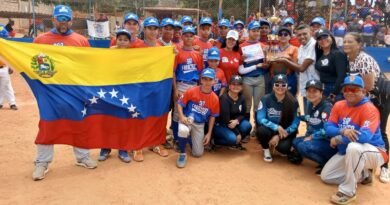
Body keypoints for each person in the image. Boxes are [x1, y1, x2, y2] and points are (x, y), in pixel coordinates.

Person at [32, 5, 97, 181]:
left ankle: (82, 157)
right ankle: (42, 162)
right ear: (53, 19)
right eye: (59, 18)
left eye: (66, 19)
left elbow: (88, 65)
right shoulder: (41, 40)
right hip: (50, 91)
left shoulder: (81, 40)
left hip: (74, 90)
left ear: (71, 21)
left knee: (80, 122)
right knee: (47, 124)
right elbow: (34, 63)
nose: (63, 22)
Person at [320, 75, 388, 205]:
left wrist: (339, 138)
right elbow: (328, 128)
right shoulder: (339, 105)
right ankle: (364, 174)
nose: (350, 92)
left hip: (375, 151)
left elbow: (363, 137)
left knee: (354, 147)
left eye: (355, 90)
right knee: (327, 176)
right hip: (352, 152)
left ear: (363, 91)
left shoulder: (370, 109)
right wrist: (343, 131)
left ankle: (348, 192)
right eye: (347, 89)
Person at [343, 32, 389, 183]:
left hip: (379, 99)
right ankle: (366, 171)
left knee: (379, 131)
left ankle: (385, 167)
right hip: (365, 101)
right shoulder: (349, 60)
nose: (346, 44)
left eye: (350, 41)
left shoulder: (364, 59)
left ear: (359, 44)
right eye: (345, 41)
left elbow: (368, 86)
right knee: (364, 132)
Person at [131, 17, 168, 161]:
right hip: (140, 87)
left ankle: (156, 143)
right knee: (140, 116)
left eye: (155, 28)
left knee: (157, 115)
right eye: (149, 28)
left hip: (158, 87)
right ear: (144, 30)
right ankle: (138, 146)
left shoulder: (162, 48)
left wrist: (172, 53)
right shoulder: (136, 46)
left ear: (158, 31)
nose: (152, 31)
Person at [98, 29, 132, 163]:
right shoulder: (109, 52)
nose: (122, 42)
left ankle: (123, 150)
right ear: (115, 40)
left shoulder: (135, 55)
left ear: (129, 42)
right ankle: (105, 148)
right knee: (107, 121)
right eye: (120, 39)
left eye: (125, 40)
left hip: (125, 92)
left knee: (123, 121)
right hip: (109, 91)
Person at [176, 68, 220, 168]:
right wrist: (182, 116)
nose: (207, 82)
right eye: (205, 79)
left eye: (210, 79)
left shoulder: (215, 98)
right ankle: (182, 154)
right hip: (188, 119)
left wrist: (209, 133)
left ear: (214, 81)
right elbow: (179, 104)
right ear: (201, 80)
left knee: (198, 154)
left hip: (200, 124)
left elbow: (213, 116)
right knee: (183, 130)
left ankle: (190, 139)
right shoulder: (192, 91)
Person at [292, 79, 336, 174]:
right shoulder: (310, 104)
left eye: (315, 91)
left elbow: (327, 130)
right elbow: (309, 119)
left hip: (327, 141)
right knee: (295, 142)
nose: (311, 94)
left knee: (303, 146)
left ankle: (328, 164)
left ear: (321, 93)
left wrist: (312, 137)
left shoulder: (326, 107)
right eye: (309, 91)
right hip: (316, 139)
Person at [274, 24, 319, 113]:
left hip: (314, 86)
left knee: (313, 114)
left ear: (310, 32)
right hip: (306, 84)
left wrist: (285, 61)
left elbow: (302, 68)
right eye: (299, 35)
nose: (302, 36)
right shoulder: (302, 47)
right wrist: (288, 58)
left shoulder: (313, 45)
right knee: (308, 113)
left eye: (304, 34)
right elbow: (298, 64)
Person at [171, 26, 204, 151]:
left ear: (194, 37)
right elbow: (173, 72)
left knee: (192, 111)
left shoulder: (198, 55)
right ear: (182, 37)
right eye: (186, 35)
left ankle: (188, 138)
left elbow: (200, 73)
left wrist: (200, 89)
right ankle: (176, 139)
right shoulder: (177, 53)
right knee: (177, 113)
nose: (188, 38)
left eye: (191, 35)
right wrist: (175, 89)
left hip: (194, 86)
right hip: (181, 85)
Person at [256, 74, 300, 162]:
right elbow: (260, 118)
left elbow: (296, 121)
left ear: (287, 86)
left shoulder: (293, 101)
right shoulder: (265, 99)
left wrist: (279, 136)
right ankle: (266, 149)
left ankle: (276, 143)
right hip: (270, 129)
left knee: (284, 149)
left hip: (285, 131)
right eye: (277, 84)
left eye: (283, 85)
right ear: (273, 86)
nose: (280, 87)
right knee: (261, 131)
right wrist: (276, 127)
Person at [238, 20, 267, 121]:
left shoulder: (263, 46)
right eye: (253, 30)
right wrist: (241, 58)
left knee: (258, 104)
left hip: (260, 77)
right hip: (247, 78)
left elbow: (267, 64)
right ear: (249, 31)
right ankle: (246, 126)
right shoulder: (242, 46)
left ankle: (256, 127)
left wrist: (266, 56)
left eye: (258, 30)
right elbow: (239, 64)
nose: (256, 33)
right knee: (247, 104)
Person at [213, 75, 251, 148]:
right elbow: (225, 119)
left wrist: (236, 120)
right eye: (233, 84)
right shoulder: (224, 98)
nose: (236, 86)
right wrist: (237, 133)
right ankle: (215, 141)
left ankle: (235, 141)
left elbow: (243, 114)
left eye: (238, 84)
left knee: (247, 125)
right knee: (232, 139)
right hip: (222, 125)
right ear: (229, 86)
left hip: (233, 123)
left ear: (241, 87)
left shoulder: (242, 98)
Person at [314, 28, 349, 102]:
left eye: (325, 37)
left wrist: (334, 93)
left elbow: (341, 76)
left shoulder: (338, 54)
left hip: (335, 90)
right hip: (323, 89)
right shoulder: (320, 54)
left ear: (331, 37)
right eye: (319, 38)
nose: (323, 40)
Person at [268, 27, 299, 96]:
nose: (283, 36)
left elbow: (296, 65)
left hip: (289, 77)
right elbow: (269, 62)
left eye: (285, 34)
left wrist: (287, 59)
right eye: (280, 34)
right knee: (274, 99)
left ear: (290, 37)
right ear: (277, 37)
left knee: (289, 99)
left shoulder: (295, 49)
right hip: (274, 77)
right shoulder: (272, 48)